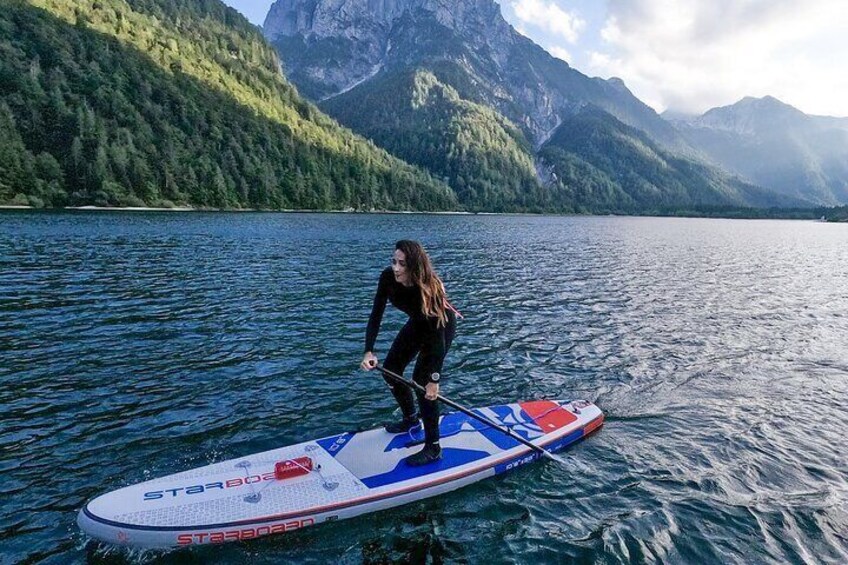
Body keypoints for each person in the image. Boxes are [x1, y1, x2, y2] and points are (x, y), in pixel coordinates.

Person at [361, 240, 459, 466]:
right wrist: (368, 350)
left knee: (422, 384)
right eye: (394, 261)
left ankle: (433, 447)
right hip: (418, 322)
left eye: (401, 264)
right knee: (391, 370)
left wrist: (434, 379)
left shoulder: (429, 287)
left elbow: (436, 339)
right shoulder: (387, 278)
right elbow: (376, 314)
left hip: (439, 328)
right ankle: (411, 419)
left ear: (413, 266)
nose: (395, 267)